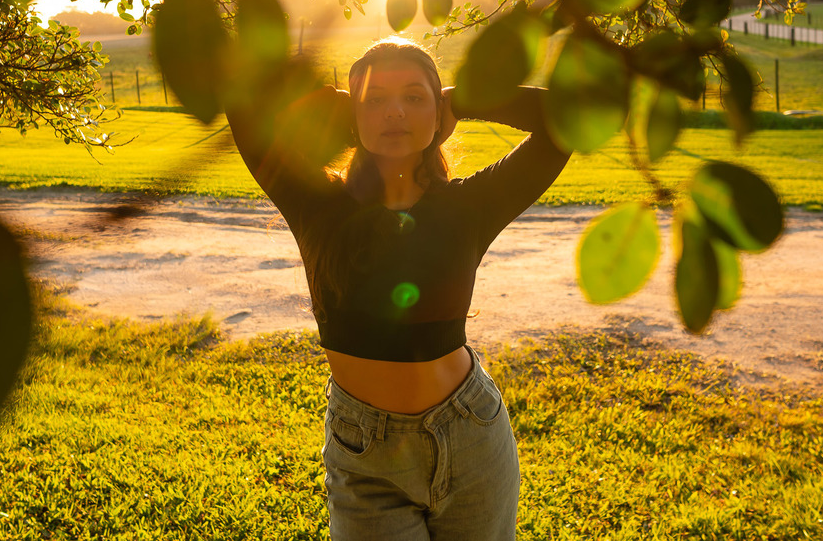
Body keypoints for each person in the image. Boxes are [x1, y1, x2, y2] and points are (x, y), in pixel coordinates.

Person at [225, 36, 571, 540]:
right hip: (365, 453)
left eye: (413, 97)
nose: (394, 112)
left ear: (438, 115)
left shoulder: (470, 207)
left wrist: (466, 99)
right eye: (375, 99)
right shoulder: (316, 203)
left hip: (471, 433)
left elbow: (562, 123)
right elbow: (245, 112)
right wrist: (344, 104)